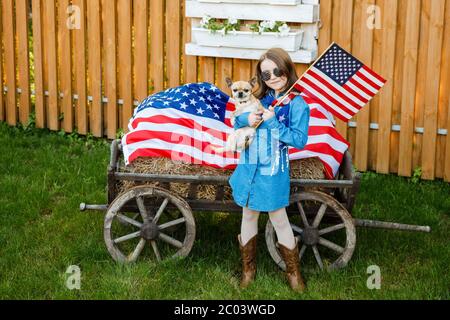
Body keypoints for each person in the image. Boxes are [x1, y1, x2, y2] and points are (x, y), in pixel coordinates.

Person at [228, 48, 310, 292]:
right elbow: (236, 120)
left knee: (279, 219)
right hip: (249, 164)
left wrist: (273, 121)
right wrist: (246, 120)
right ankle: (248, 271)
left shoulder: (297, 104)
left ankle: (293, 273)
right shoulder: (260, 100)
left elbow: (299, 139)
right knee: (248, 215)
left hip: (272, 169)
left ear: (287, 69)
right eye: (266, 74)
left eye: (277, 71)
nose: (272, 77)